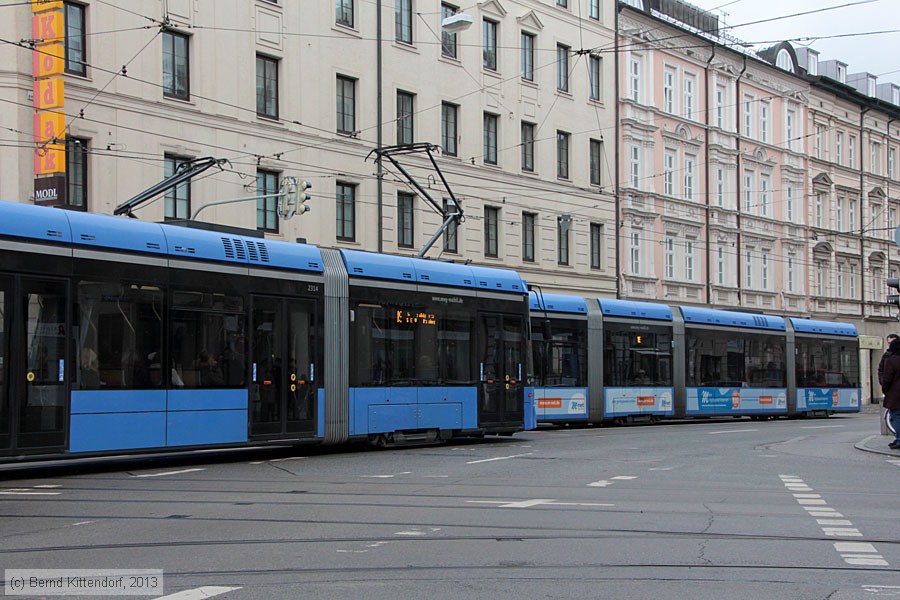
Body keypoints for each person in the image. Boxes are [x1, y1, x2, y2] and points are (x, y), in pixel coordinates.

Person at [879, 336, 900, 449]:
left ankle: (899, 439)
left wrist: (885, 388)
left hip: (895, 394)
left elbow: (887, 378)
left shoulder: (892, 360)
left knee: (896, 416)